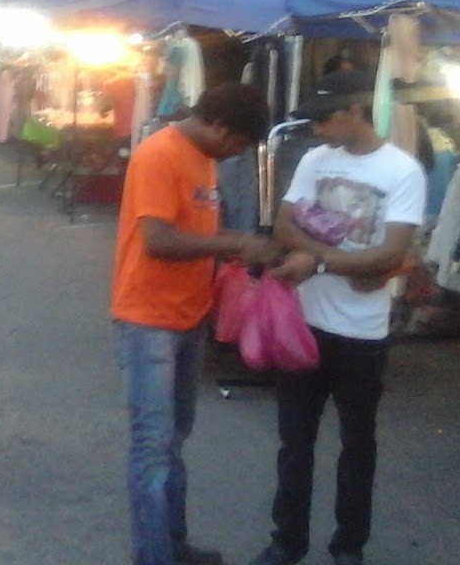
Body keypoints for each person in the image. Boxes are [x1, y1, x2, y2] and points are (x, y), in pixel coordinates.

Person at [246, 70, 426, 565]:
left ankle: (349, 547)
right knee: (294, 443)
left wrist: (320, 261)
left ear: (355, 111)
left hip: (361, 332)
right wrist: (344, 259)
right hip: (303, 322)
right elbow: (283, 225)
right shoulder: (313, 159)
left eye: (326, 118)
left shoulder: (402, 171)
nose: (319, 129)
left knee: (357, 444)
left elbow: (391, 252)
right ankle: (287, 542)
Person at [111, 83, 283, 565]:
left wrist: (235, 245)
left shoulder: (205, 157)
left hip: (187, 316)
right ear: (219, 127)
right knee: (152, 447)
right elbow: (158, 240)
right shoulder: (159, 154)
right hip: (148, 321)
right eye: (239, 145)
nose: (238, 155)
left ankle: (172, 544)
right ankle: (153, 556)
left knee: (174, 441)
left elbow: (197, 230)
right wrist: (234, 244)